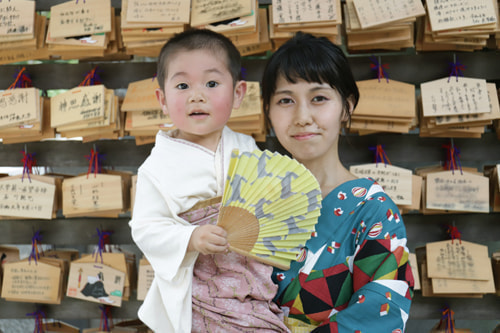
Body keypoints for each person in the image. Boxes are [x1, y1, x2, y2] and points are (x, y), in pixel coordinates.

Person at [129, 29, 289, 333]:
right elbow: (146, 228)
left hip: (250, 276)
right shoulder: (156, 166)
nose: (196, 95)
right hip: (197, 286)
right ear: (162, 99)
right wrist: (190, 238)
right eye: (182, 85)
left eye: (212, 83)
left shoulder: (247, 148)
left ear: (238, 93)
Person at [261, 32, 414, 332]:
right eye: (285, 100)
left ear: (347, 107)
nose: (303, 116)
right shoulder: (253, 201)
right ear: (268, 112)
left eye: (319, 98)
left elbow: (382, 308)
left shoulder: (372, 209)